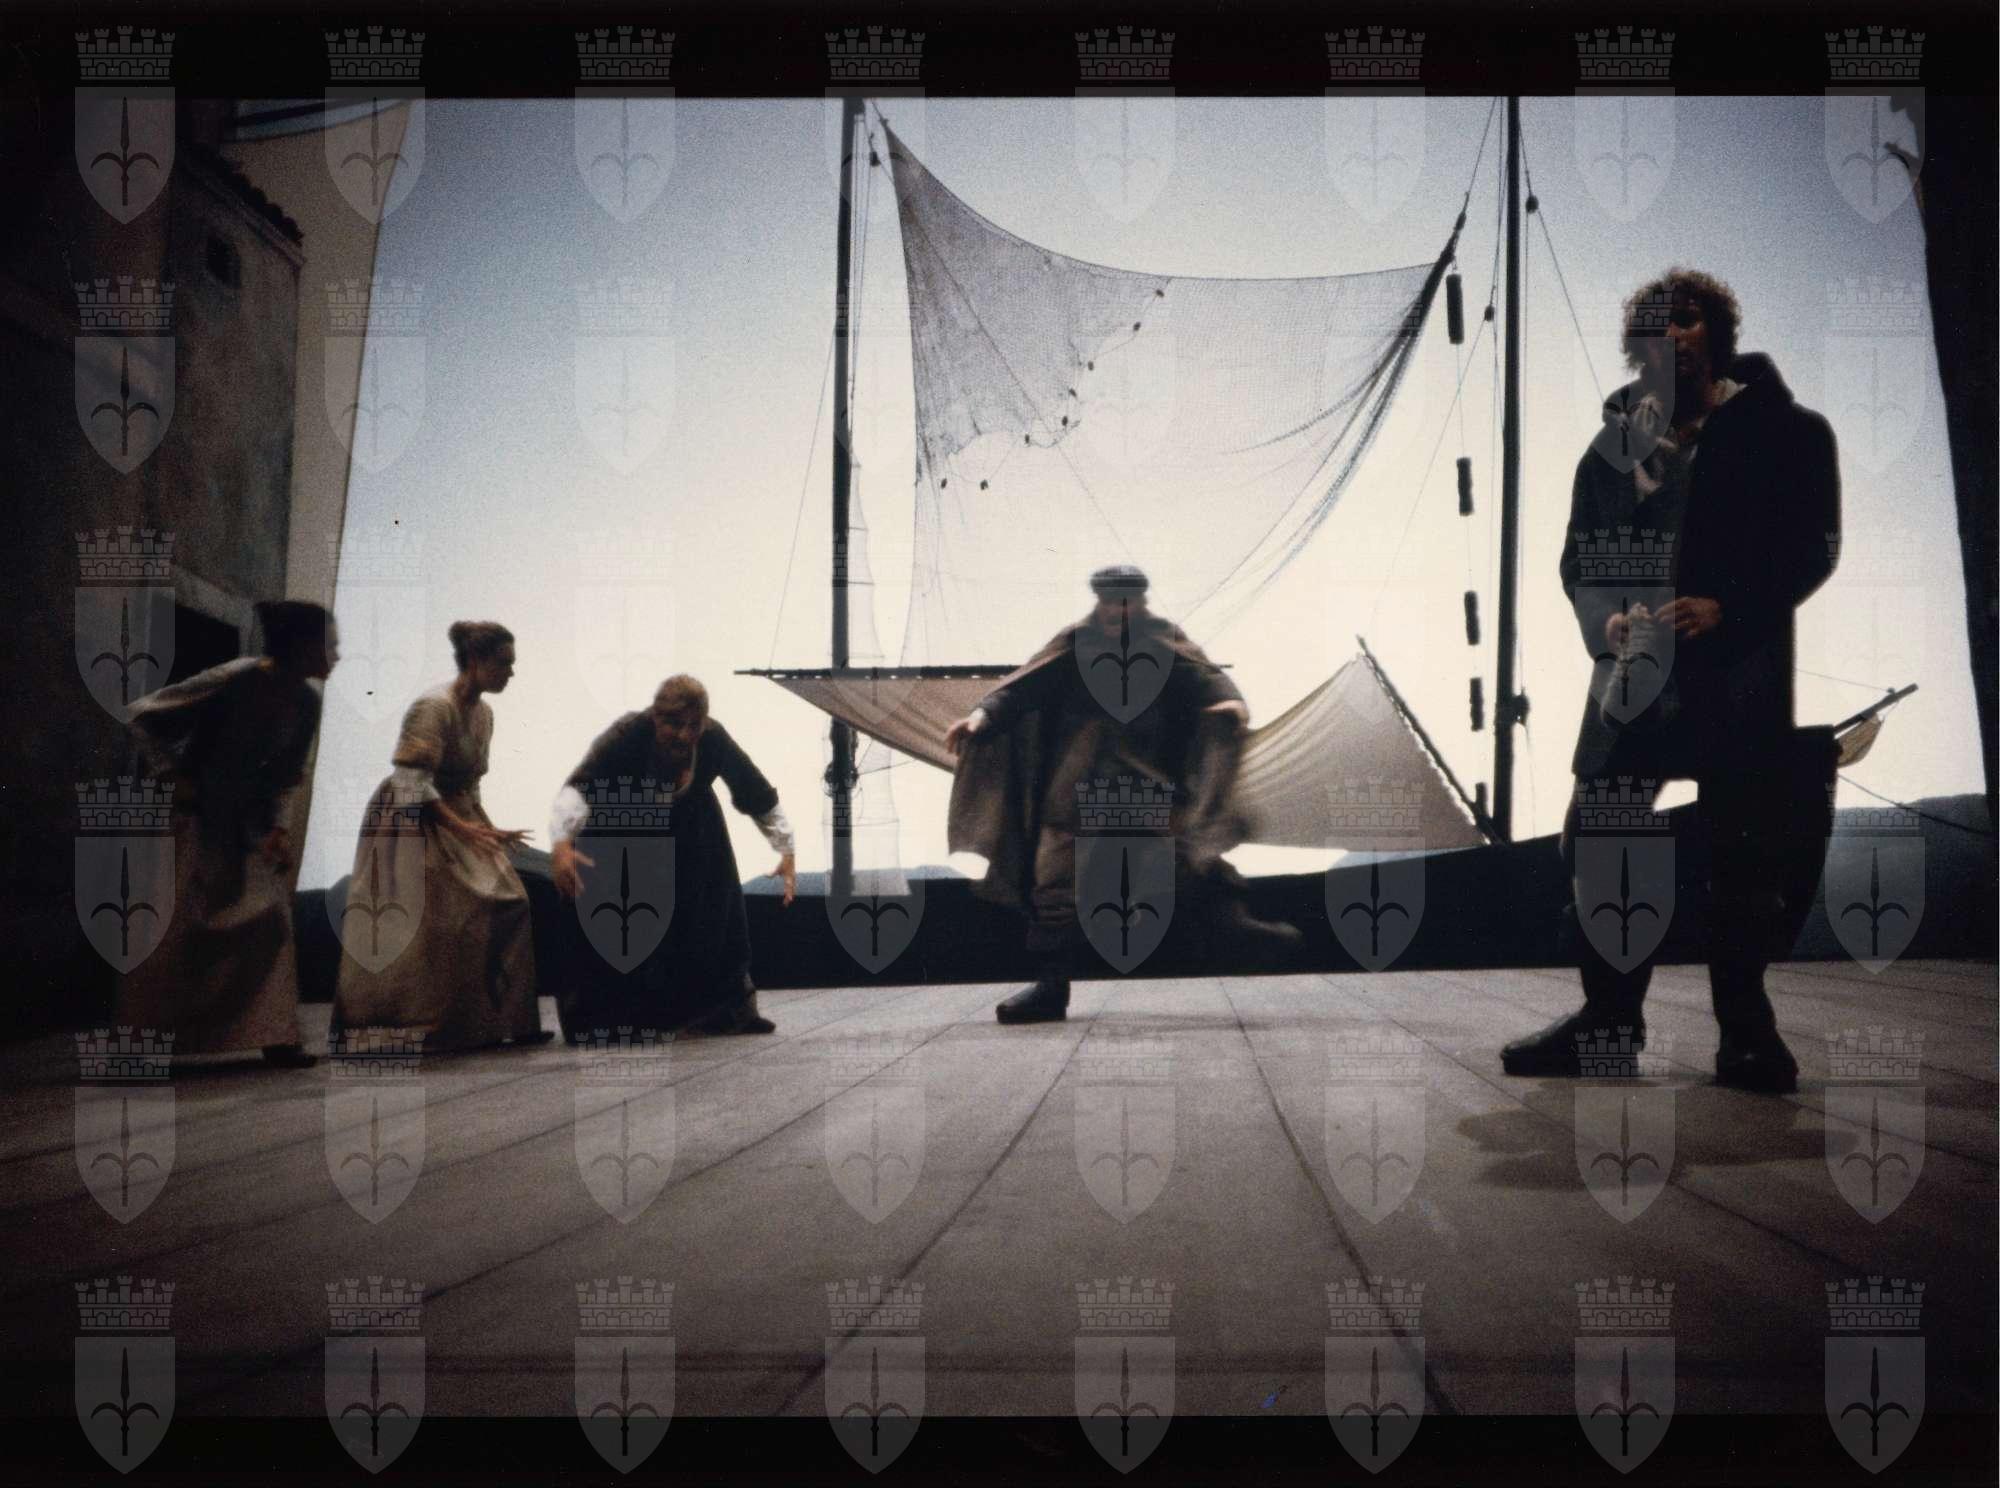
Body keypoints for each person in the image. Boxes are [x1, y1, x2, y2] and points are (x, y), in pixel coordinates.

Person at [1501, 268, 1840, 1094]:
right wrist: (1606, 621)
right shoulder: (1609, 451)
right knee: (1599, 833)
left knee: (1743, 850)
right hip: (1634, 681)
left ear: (1715, 329)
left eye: (1686, 318)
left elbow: (1813, 545)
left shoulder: (1790, 432)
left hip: (1738, 672)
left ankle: (1747, 1032)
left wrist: (1732, 606)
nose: (1672, 335)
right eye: (1655, 325)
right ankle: (1608, 1024)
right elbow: (1580, 562)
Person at [945, 565, 1300, 1025]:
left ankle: (1239, 932)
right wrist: (982, 716)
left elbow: (1203, 676)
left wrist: (1229, 702)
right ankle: (1051, 988)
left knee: (1183, 869)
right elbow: (1023, 687)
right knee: (1054, 886)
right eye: (1113, 600)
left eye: (1130, 600)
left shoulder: (1162, 638)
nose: (1121, 609)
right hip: (1077, 793)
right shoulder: (1077, 641)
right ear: (1100, 601)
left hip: (1143, 785)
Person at [115, 599, 336, 1068]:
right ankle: (139, 1045)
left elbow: (287, 775)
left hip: (245, 823)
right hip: (192, 815)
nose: (335, 655)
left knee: (271, 918)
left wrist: (278, 828)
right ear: (300, 646)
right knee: (172, 929)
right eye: (328, 644)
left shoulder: (307, 703)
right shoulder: (237, 678)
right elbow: (141, 716)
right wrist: (172, 775)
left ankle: (277, 1035)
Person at [331, 621, 548, 1051]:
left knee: (510, 901)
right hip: (410, 820)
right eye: (503, 663)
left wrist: (485, 827)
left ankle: (497, 1020)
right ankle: (408, 1024)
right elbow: (410, 780)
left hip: (457, 814)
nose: (510, 672)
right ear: (475, 660)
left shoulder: (483, 714)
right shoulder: (434, 706)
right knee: (430, 919)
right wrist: (463, 827)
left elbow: (470, 781)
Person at [549, 674, 796, 1036]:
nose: (683, 735)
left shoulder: (713, 738)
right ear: (655, 718)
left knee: (714, 905)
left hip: (691, 827)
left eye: (693, 726)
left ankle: (725, 1010)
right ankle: (609, 1018)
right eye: (673, 724)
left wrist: (786, 848)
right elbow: (578, 789)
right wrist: (561, 846)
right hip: (621, 824)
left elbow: (753, 788)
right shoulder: (627, 735)